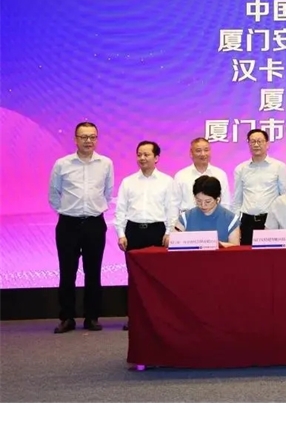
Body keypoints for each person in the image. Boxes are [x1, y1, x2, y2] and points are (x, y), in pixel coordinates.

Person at [48, 121, 114, 334]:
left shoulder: (106, 163)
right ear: (75, 139)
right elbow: (53, 194)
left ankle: (91, 317)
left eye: (92, 137)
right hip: (68, 224)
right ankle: (67, 318)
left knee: (93, 272)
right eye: (84, 137)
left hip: (94, 223)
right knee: (67, 272)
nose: (88, 141)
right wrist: (67, 210)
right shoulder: (62, 164)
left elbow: (108, 193)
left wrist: (93, 209)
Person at [114, 140, 179, 330]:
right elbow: (121, 210)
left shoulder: (167, 181)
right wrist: (121, 233)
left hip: (157, 231)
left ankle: (158, 318)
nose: (142, 158)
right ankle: (134, 318)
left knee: (157, 277)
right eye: (139, 154)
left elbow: (172, 209)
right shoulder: (128, 182)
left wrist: (169, 232)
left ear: (156, 158)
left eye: (146, 154)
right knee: (134, 277)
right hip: (133, 231)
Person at [232, 128, 286, 246]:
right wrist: (236, 225)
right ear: (248, 144)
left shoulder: (279, 167)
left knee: (270, 254)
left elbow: (284, 196)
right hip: (247, 221)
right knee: (246, 255)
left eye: (260, 141)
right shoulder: (241, 169)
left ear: (267, 144)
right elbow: (237, 200)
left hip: (270, 220)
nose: (256, 145)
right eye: (253, 141)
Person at [165, 175, 240, 247]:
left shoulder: (230, 219)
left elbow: (235, 247)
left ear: (217, 198)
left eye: (208, 201)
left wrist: (216, 244)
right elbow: (171, 241)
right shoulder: (186, 217)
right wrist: (169, 240)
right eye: (199, 201)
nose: (203, 205)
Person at [173, 137, 231, 216]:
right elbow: (174, 204)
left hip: (214, 219)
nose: (203, 154)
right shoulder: (181, 175)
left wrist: (224, 220)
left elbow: (225, 203)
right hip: (189, 219)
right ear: (191, 153)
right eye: (198, 150)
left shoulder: (220, 174)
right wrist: (175, 223)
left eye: (206, 150)